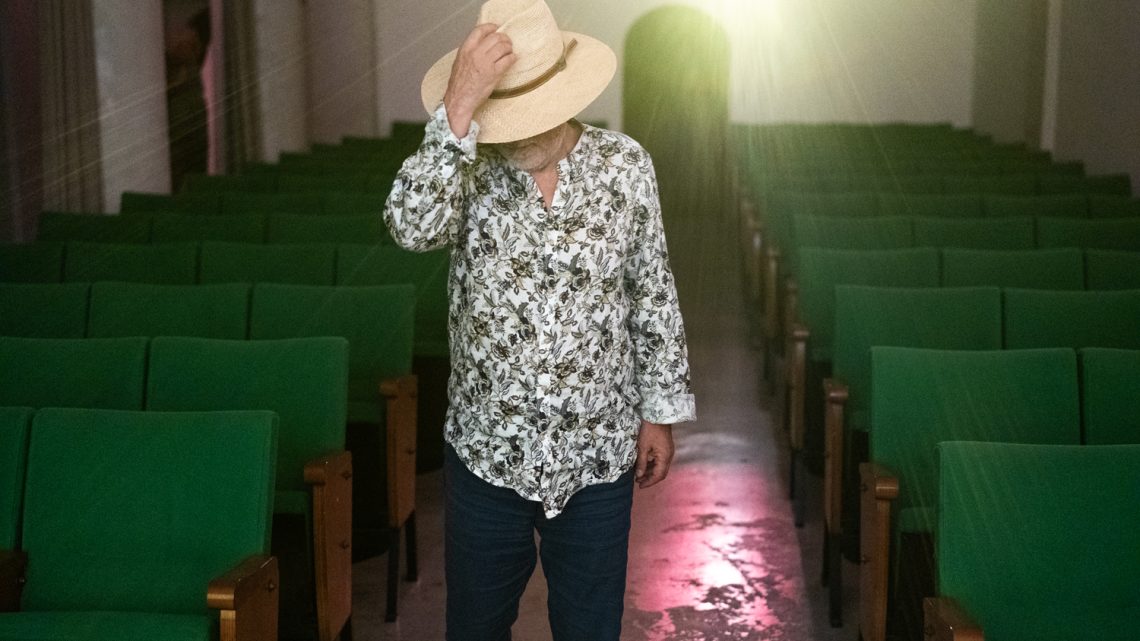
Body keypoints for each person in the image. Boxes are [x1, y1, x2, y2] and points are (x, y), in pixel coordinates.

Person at [383, 1, 695, 639]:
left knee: (590, 629)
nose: (517, 135)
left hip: (598, 453)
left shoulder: (625, 165)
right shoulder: (465, 163)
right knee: (475, 629)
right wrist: (459, 106)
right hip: (486, 453)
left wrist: (659, 414)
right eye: (506, 114)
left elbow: (652, 291)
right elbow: (411, 229)